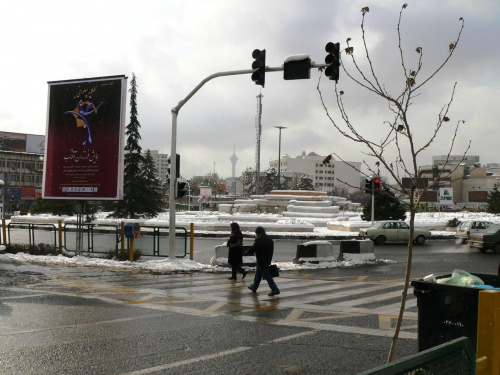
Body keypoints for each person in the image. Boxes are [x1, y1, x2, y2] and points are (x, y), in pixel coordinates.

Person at [245, 226, 280, 296]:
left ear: (258, 233)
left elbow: (253, 248)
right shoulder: (269, 239)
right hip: (267, 259)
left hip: (261, 260)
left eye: (256, 233)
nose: (256, 235)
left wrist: (246, 252)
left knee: (267, 275)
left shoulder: (259, 240)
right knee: (258, 274)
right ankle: (254, 287)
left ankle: (275, 289)